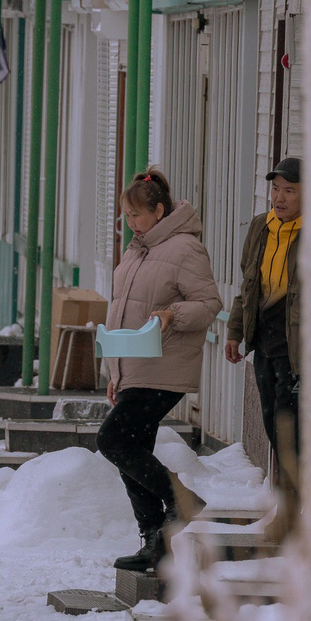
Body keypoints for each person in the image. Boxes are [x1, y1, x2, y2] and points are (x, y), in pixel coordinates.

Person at [96, 168, 221, 573]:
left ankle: (182, 501)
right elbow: (121, 314)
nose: (131, 223)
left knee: (113, 440)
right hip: (135, 365)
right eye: (126, 216)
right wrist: (115, 372)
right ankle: (154, 540)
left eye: (137, 215)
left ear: (160, 210)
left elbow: (209, 303)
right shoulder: (137, 251)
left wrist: (172, 313)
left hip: (164, 365)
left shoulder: (184, 247)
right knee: (132, 453)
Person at [226, 157, 303, 485]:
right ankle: (291, 502)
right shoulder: (261, 227)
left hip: (297, 346)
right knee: (273, 424)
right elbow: (248, 285)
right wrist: (235, 330)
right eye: (275, 189)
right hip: (264, 339)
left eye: (289, 191)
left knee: (294, 427)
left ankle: (301, 505)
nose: (279, 198)